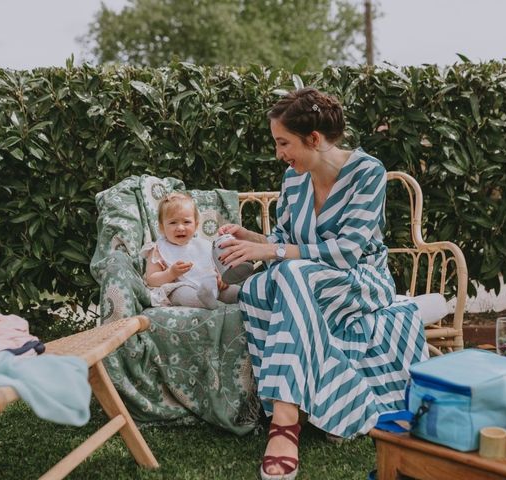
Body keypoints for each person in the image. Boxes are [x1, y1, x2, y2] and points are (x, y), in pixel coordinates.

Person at [217, 88, 429, 479]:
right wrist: (253, 239)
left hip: (360, 278)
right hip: (309, 278)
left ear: (314, 139)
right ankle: (349, 404)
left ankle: (284, 424)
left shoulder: (368, 172)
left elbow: (347, 251)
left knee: (290, 275)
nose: (280, 153)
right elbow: (285, 242)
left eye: (284, 143)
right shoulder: (294, 180)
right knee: (255, 289)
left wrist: (272, 254)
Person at [143, 192, 240, 309]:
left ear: (196, 225)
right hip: (180, 287)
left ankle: (245, 296)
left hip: (212, 287)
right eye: (173, 222)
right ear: (162, 227)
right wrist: (171, 273)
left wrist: (222, 278)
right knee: (181, 292)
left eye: (186, 222)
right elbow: (151, 280)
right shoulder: (157, 249)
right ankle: (202, 301)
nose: (180, 228)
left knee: (234, 290)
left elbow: (216, 266)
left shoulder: (204, 245)